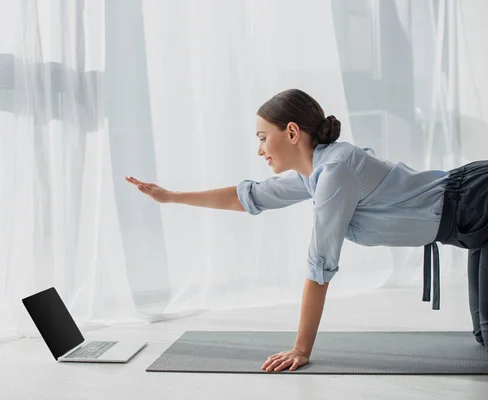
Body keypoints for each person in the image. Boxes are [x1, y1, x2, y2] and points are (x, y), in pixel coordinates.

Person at [125, 88, 488, 373]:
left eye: (263, 137)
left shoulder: (336, 173)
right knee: (483, 338)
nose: (260, 150)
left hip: (477, 199)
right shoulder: (317, 172)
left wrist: (301, 349)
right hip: (468, 222)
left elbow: (320, 268)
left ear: (293, 132)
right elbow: (252, 196)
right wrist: (170, 197)